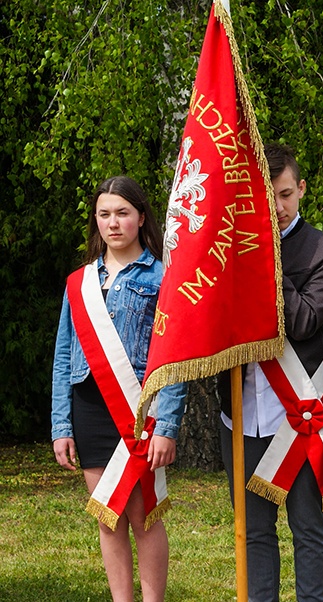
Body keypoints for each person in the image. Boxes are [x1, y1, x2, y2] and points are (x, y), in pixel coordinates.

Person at [218, 143, 323, 602]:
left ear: (302, 191)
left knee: (308, 529)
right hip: (242, 413)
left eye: (285, 194)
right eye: (264, 196)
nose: (275, 206)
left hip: (299, 415)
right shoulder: (226, 250)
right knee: (253, 533)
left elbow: (306, 321)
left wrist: (264, 254)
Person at [51, 176, 187, 602]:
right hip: (90, 408)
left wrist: (166, 423)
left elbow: (176, 359)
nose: (113, 223)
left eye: (123, 213)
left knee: (143, 516)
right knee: (108, 517)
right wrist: (61, 424)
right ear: (96, 221)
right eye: (105, 214)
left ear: (141, 217)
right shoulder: (79, 283)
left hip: (139, 411)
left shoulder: (165, 277)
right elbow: (62, 356)